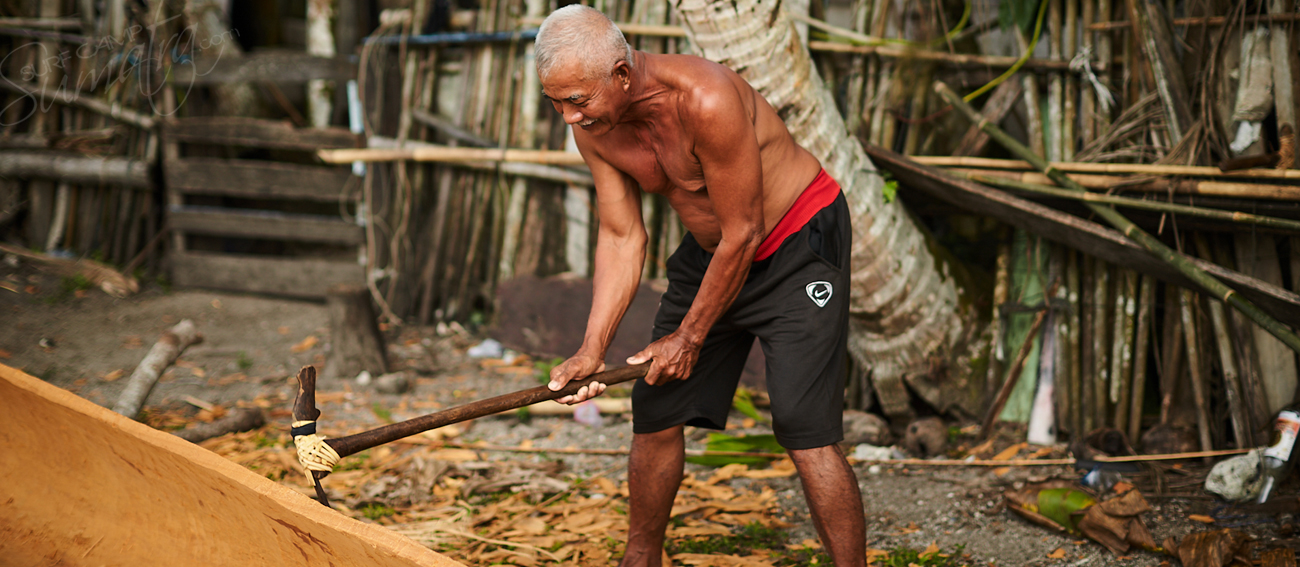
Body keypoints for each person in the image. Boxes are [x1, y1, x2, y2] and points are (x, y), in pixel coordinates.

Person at [536, 5, 865, 566]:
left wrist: (689, 337)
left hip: (797, 245)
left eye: (578, 100)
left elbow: (746, 229)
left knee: (803, 426)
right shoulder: (595, 126)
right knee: (657, 407)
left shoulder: (705, 98)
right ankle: (641, 559)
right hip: (714, 252)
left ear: (621, 73)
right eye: (556, 102)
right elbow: (621, 235)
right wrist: (592, 349)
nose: (568, 117)